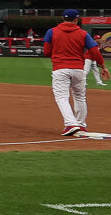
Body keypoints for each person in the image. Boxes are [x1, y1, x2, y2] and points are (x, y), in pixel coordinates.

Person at [42, 9, 100, 137]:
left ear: (63, 18)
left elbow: (46, 51)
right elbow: (94, 51)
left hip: (60, 68)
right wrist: (103, 66)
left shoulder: (51, 31)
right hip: (79, 69)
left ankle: (70, 124)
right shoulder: (83, 33)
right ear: (76, 20)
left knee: (62, 97)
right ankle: (81, 125)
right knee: (80, 96)